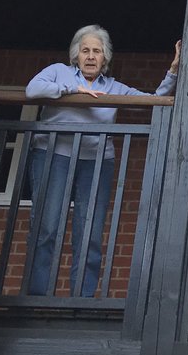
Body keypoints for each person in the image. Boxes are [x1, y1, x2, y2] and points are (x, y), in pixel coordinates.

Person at [25, 25, 180, 297]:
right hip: (53, 156)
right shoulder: (58, 72)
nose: (90, 56)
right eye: (85, 50)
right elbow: (32, 90)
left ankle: (80, 300)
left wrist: (173, 71)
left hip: (96, 163)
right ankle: (37, 296)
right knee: (47, 227)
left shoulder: (112, 87)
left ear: (105, 58)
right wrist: (72, 90)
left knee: (90, 233)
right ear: (76, 55)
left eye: (97, 51)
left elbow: (154, 102)